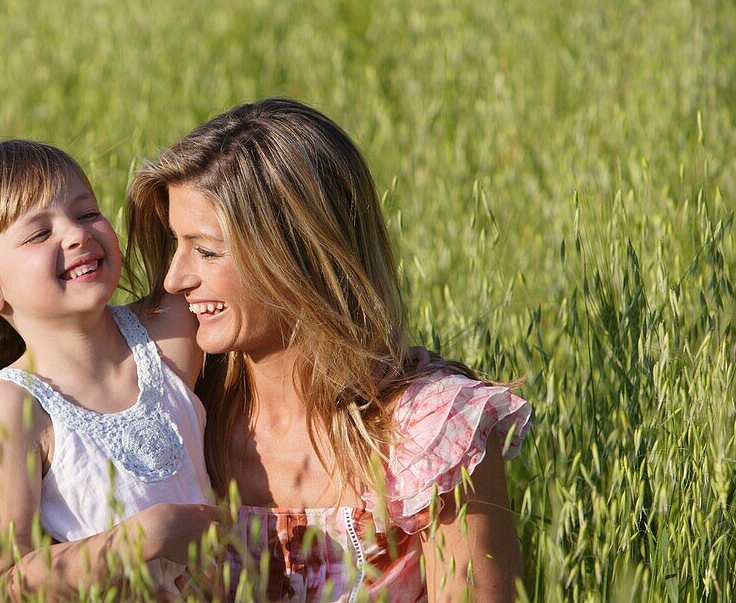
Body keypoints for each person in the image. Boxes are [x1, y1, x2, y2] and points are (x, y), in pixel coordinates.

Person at [126, 99, 532, 601]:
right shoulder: (178, 414)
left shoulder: (431, 430)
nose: (175, 278)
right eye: (175, 245)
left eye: (206, 251)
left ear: (298, 254)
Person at [0, 139, 219, 599]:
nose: (77, 234)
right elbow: (0, 576)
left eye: (87, 213)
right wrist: (147, 536)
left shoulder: (166, 331)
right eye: (38, 233)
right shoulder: (15, 407)